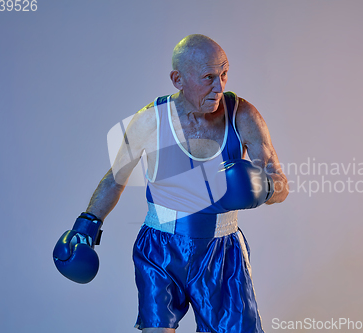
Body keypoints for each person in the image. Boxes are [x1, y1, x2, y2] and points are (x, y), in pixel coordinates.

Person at [53, 34, 289, 333]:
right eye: (208, 77)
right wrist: (85, 227)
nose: (220, 86)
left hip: (222, 254)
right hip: (160, 249)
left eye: (224, 74)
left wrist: (265, 187)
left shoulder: (242, 115)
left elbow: (281, 183)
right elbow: (116, 179)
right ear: (178, 79)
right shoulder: (150, 120)